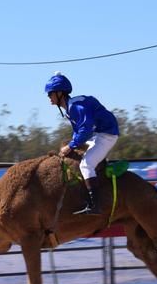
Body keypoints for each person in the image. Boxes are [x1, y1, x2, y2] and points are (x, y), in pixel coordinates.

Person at [45, 71, 119, 215]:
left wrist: (71, 146)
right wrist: (70, 145)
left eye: (50, 94)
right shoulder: (70, 109)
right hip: (97, 134)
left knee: (86, 164)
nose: (49, 98)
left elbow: (85, 130)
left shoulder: (76, 107)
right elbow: (78, 132)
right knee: (73, 152)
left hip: (106, 134)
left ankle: (94, 205)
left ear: (60, 93)